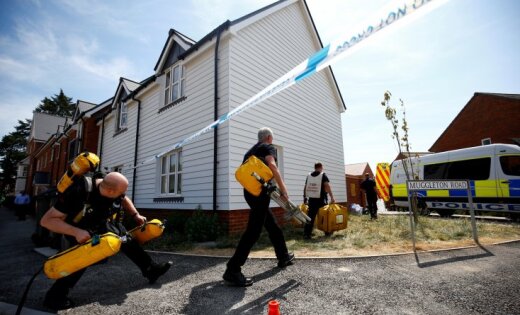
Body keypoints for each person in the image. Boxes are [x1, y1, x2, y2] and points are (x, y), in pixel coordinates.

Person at [40, 172, 172, 310]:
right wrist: (76, 232)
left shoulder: (111, 186)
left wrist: (135, 214)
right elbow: (47, 221)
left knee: (127, 240)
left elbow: (124, 198)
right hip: (79, 229)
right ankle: (55, 298)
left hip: (103, 223)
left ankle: (151, 269)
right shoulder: (77, 192)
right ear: (109, 190)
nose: (122, 195)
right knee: (80, 260)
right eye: (120, 192)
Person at [223, 127, 294, 287]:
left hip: (250, 193)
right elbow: (273, 166)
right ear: (269, 138)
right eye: (272, 139)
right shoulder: (268, 147)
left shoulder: (251, 151)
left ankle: (283, 256)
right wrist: (284, 190)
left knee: (271, 224)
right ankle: (232, 270)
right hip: (260, 194)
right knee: (253, 231)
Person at [303, 162, 336, 239]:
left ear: (315, 167)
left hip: (311, 200)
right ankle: (327, 232)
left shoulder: (309, 175)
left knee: (310, 217)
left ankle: (306, 234)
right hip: (321, 200)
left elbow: (305, 187)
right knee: (324, 216)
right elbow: (327, 186)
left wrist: (304, 197)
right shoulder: (323, 175)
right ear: (321, 167)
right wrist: (332, 197)